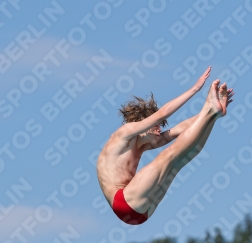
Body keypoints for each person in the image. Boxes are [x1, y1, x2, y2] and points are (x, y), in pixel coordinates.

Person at [96, 67, 234, 225]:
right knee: (168, 156)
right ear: (143, 123)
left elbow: (179, 130)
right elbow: (162, 114)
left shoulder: (143, 144)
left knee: (181, 159)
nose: (159, 130)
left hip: (142, 212)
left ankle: (213, 114)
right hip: (124, 203)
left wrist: (212, 115)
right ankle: (210, 111)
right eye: (156, 126)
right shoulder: (124, 134)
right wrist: (195, 89)